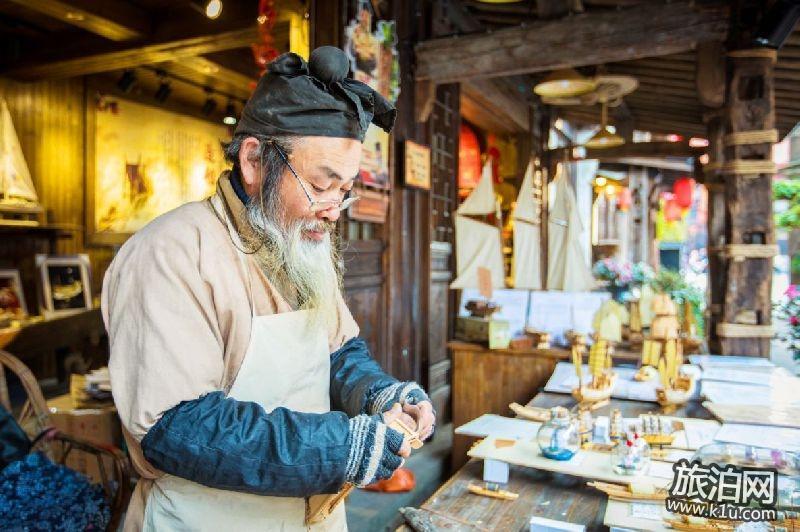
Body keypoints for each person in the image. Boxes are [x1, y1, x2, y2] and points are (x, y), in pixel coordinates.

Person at [102, 46, 435, 531]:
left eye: (344, 191)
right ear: (255, 161)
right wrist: (343, 447)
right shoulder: (171, 251)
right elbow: (175, 427)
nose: (332, 210)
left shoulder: (299, 242)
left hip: (309, 517)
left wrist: (379, 395)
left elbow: (337, 351)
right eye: (321, 186)